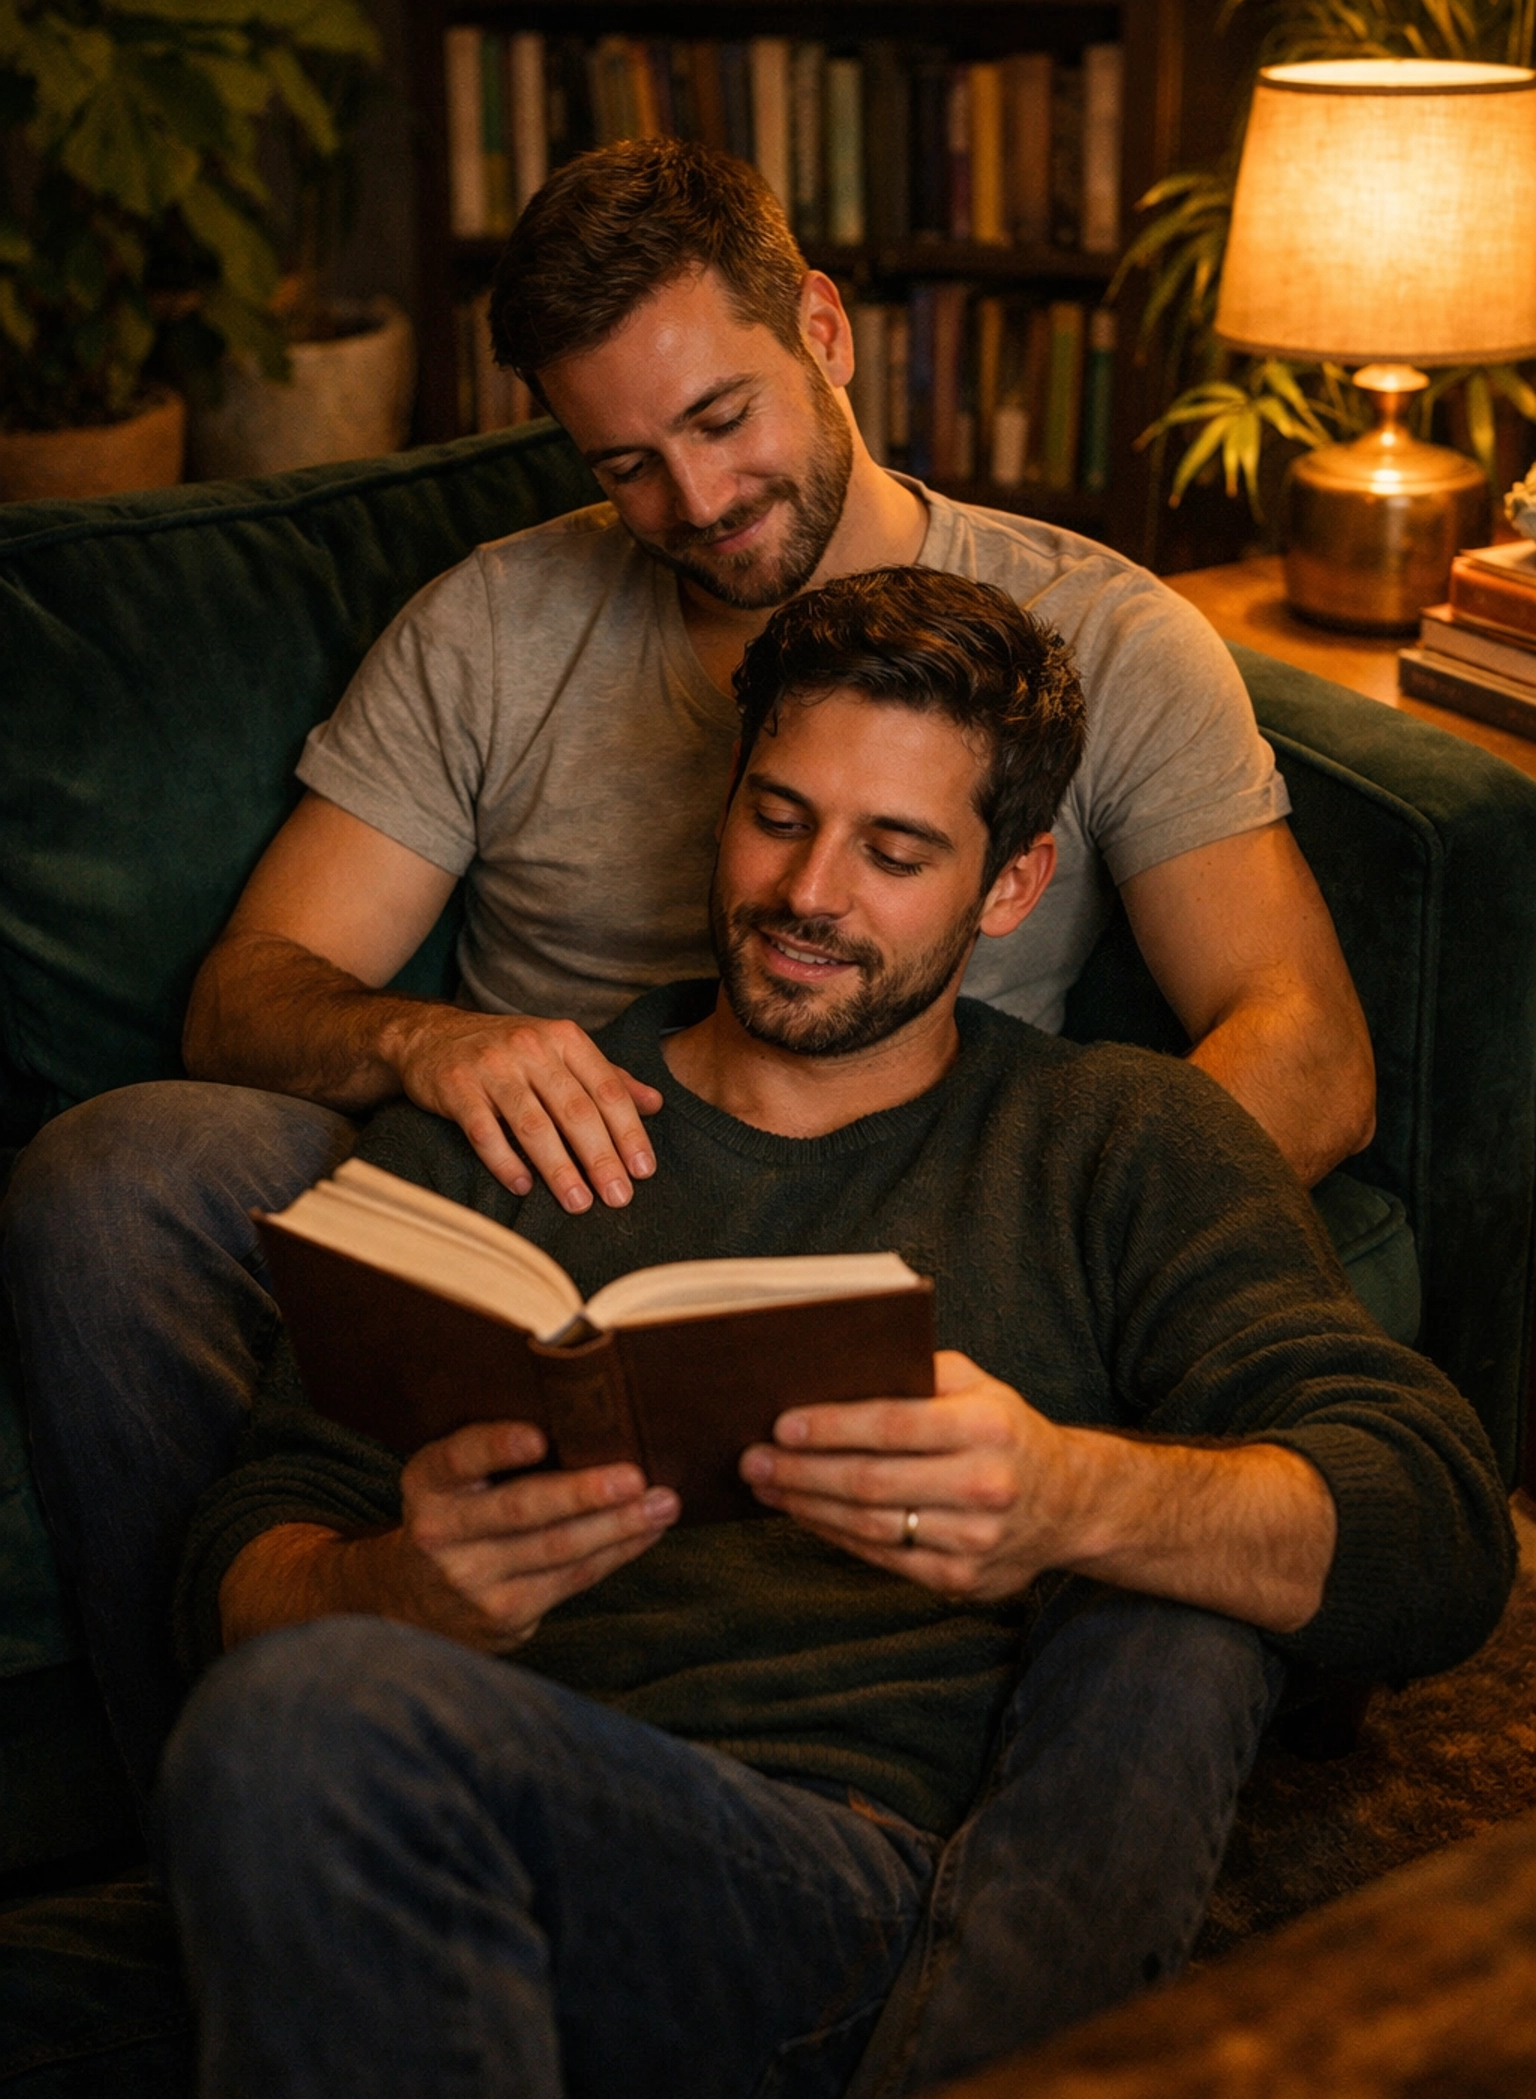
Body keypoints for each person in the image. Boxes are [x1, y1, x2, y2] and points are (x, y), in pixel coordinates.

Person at [2, 140, 1375, 1798]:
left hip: (913, 1213)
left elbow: (1304, 1042)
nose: (699, 505)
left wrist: (1045, 1250)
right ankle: (223, 1815)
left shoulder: (1106, 637)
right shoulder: (490, 630)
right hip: (537, 1220)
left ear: (823, 324)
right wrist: (428, 1044)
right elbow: (246, 994)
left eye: (725, 420)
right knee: (114, 1169)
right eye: (629, 465)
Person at [157, 570, 1509, 2099]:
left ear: (1010, 887)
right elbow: (242, 1563)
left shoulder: (1113, 1139)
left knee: (298, 1747)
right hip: (484, 1825)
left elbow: (1441, 1531)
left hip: (861, 1897)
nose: (811, 894)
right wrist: (393, 1590)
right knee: (284, 1734)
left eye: (896, 851)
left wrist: (1068, 1494)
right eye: (779, 817)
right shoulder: (498, 1128)